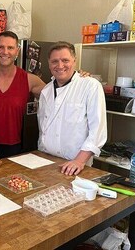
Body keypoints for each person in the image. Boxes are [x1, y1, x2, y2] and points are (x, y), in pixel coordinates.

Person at [37, 41, 107, 176]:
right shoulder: (46, 90)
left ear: (74, 61)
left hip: (76, 165)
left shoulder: (90, 86)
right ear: (49, 63)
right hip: (46, 161)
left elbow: (98, 131)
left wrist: (79, 161)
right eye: (55, 61)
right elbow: (43, 128)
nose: (60, 66)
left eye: (65, 60)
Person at [0, 31, 46, 159]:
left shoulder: (29, 80)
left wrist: (78, 78)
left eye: (10, 48)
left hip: (16, 148)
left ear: (17, 51)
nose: (5, 52)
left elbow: (59, 95)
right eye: (1, 47)